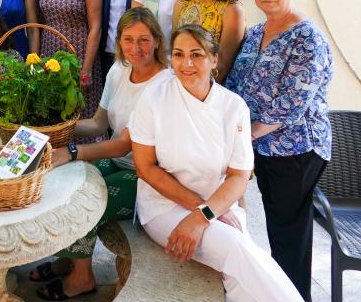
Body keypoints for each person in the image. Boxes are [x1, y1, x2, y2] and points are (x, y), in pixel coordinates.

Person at [129, 25, 301, 301]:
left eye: (196, 55)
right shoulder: (154, 99)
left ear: (214, 60)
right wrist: (203, 211)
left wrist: (205, 215)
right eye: (178, 54)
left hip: (217, 205)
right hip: (164, 208)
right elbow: (145, 168)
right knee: (237, 247)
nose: (186, 63)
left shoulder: (233, 107)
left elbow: (238, 176)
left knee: (239, 267)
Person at [32, 8, 171, 300]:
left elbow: (124, 143)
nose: (136, 48)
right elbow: (99, 122)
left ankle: (82, 278)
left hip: (148, 174)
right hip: (119, 161)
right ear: (119, 41)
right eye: (128, 39)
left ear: (157, 41)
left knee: (85, 202)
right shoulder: (119, 70)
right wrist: (53, 130)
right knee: (66, 185)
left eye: (144, 40)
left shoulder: (163, 84)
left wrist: (71, 150)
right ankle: (70, 259)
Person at [226, 0, 332, 301]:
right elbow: (235, 85)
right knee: (277, 227)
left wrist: (243, 135)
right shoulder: (256, 32)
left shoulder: (306, 37)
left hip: (295, 149)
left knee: (288, 236)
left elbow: (291, 104)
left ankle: (293, 297)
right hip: (262, 147)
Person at [36, 0, 103, 124]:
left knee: (79, 111)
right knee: (51, 113)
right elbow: (38, 21)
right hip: (49, 53)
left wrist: (87, 68)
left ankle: (85, 155)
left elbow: (96, 28)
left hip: (79, 55)